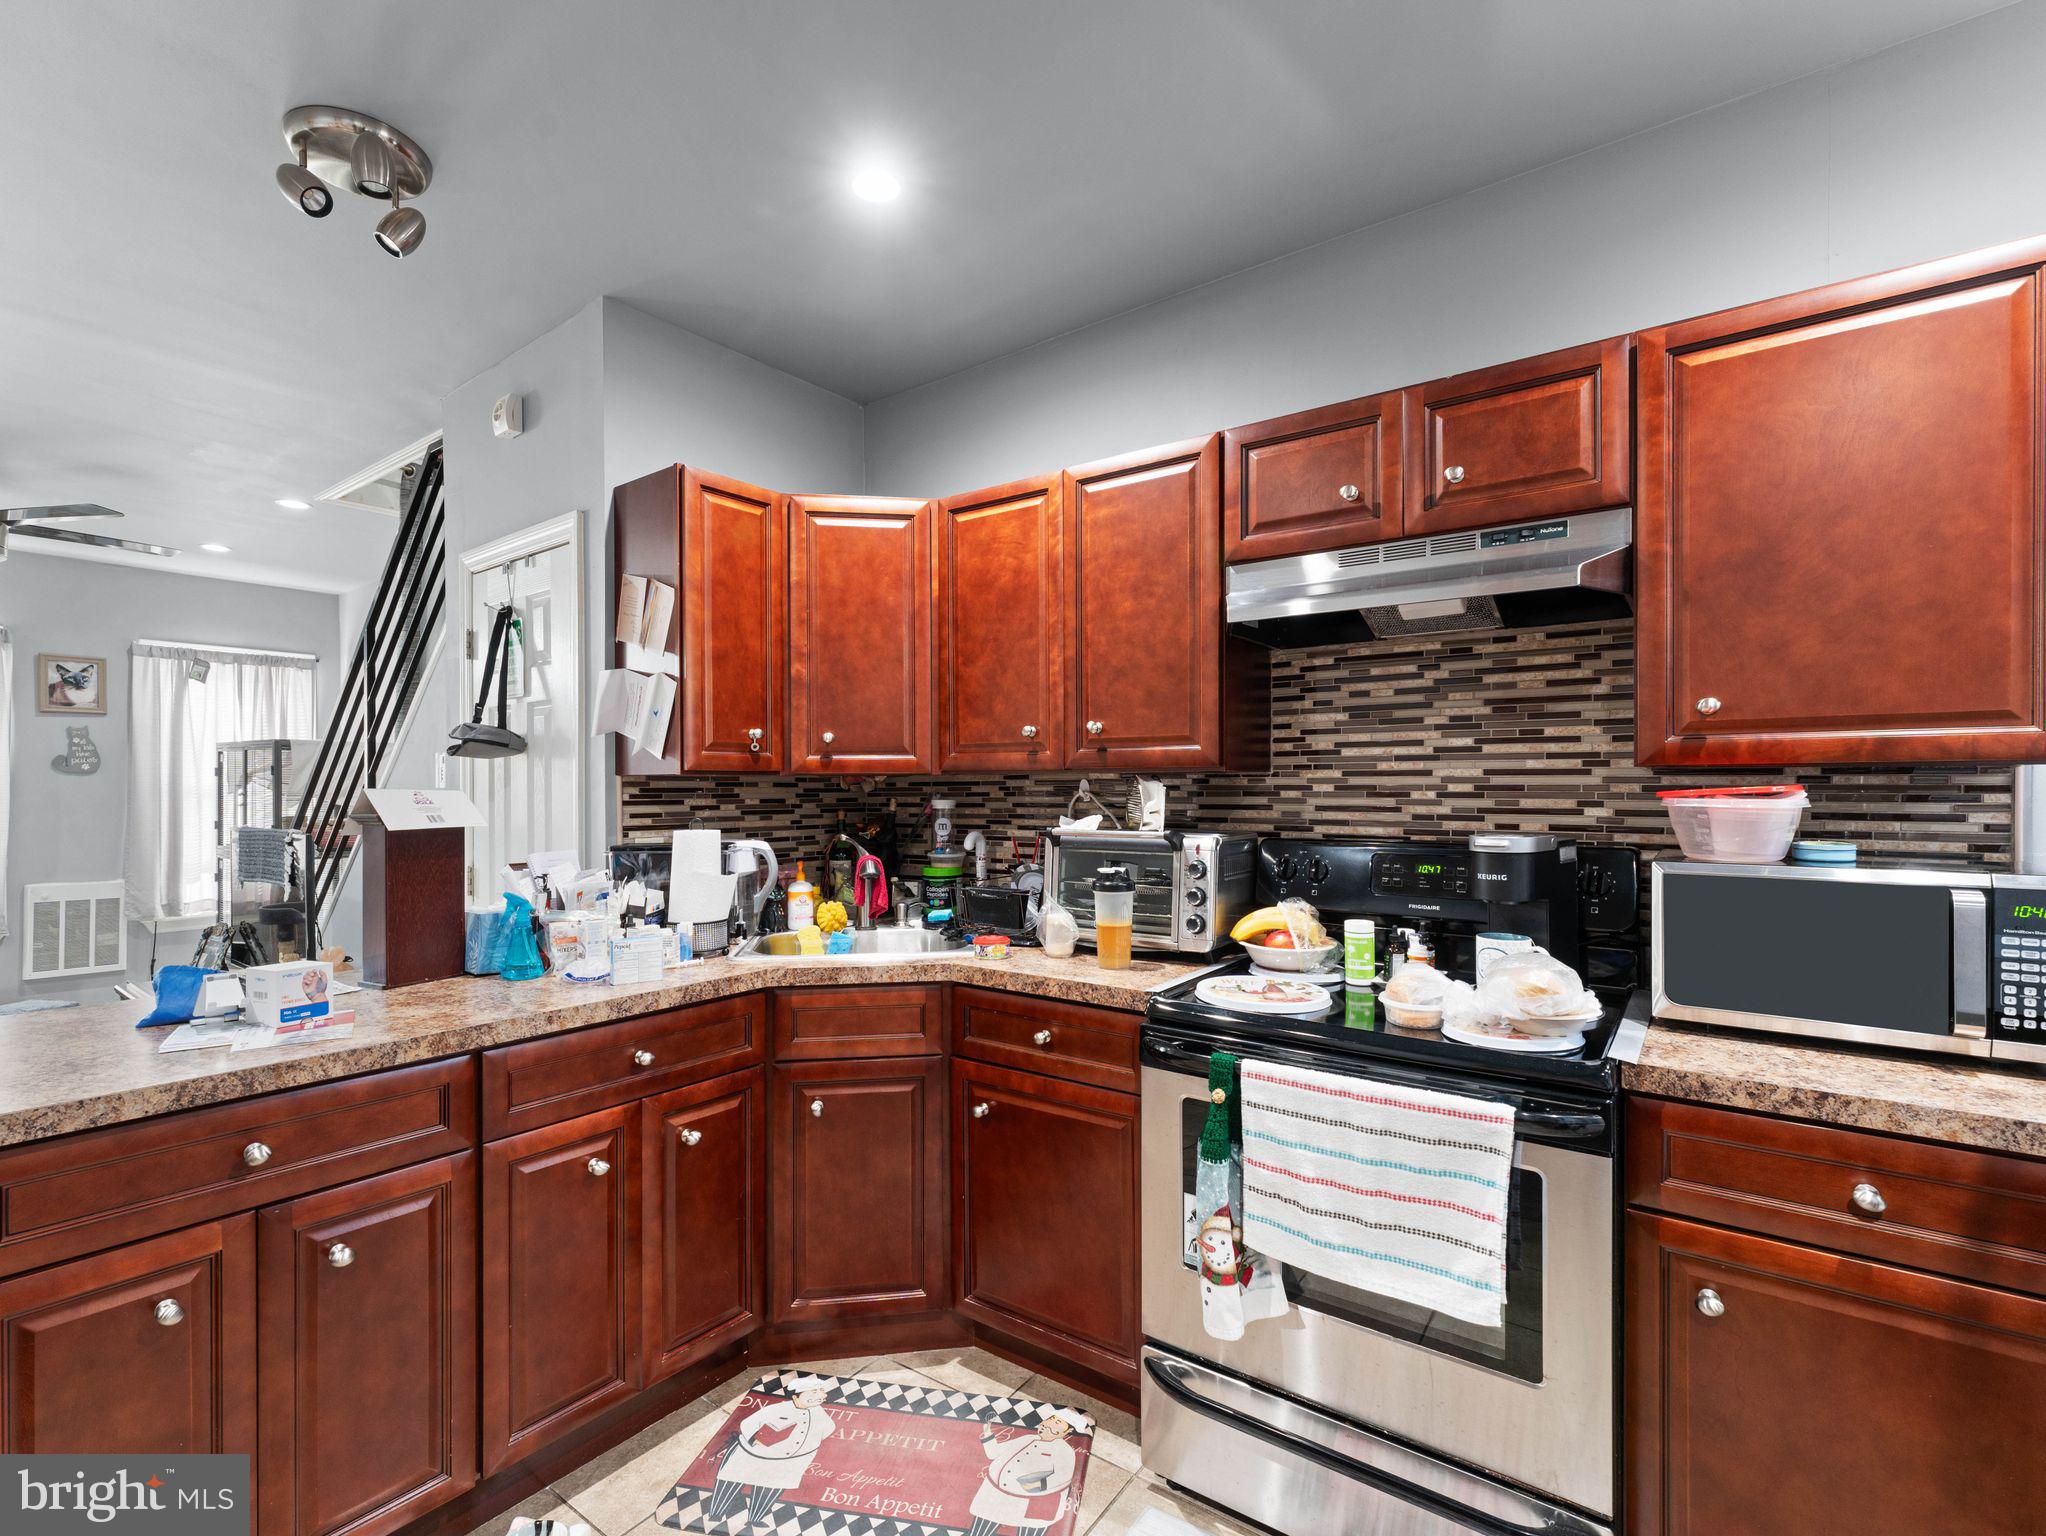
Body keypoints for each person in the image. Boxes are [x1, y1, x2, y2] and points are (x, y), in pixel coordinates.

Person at [703, 1377, 837, 1533]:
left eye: (821, 1392)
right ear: (795, 1396)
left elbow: (828, 1428)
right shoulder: (776, 1409)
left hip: (789, 1461)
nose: (820, 1396)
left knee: (771, 1486)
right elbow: (748, 1424)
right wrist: (756, 1441)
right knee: (732, 1480)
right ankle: (716, 1514)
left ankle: (755, 1518)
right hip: (754, 1455)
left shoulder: (819, 1412)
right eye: (813, 1392)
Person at [966, 1408, 1090, 1536]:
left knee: (1030, 1529)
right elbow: (993, 1453)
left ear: (1066, 1431)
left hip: (1033, 1501)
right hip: (996, 1495)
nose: (1049, 1425)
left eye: (1057, 1423)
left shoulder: (1064, 1450)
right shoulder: (1027, 1438)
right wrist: (987, 1432)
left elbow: (1062, 1477)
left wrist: (1033, 1486)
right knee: (978, 1533)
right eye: (1050, 1420)